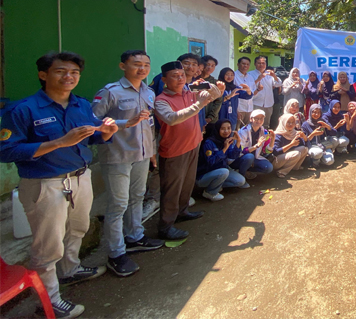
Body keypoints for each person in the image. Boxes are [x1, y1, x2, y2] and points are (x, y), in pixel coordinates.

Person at [0, 52, 118, 318]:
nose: (69, 77)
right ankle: (49, 300)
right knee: (48, 244)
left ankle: (70, 270)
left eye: (74, 72)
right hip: (45, 183)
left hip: (80, 176)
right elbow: (6, 151)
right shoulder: (23, 110)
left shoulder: (81, 105)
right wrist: (57, 143)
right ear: (43, 75)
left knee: (78, 228)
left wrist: (106, 133)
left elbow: (92, 139)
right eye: (60, 71)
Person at [91, 50, 164, 278]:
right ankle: (116, 254)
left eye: (146, 64)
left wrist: (151, 151)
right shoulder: (110, 92)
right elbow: (93, 122)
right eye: (136, 64)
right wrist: (125, 122)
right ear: (123, 66)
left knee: (137, 197)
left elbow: (149, 124)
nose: (142, 68)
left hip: (141, 155)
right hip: (117, 157)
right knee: (118, 205)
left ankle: (135, 237)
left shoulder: (149, 92)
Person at [154, 61, 223, 240]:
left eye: (182, 75)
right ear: (164, 80)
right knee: (171, 190)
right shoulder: (162, 100)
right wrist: (199, 103)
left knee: (187, 184)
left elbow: (213, 95)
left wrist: (216, 89)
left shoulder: (190, 93)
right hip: (174, 152)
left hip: (193, 145)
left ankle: (182, 212)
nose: (179, 79)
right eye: (174, 76)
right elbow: (172, 119)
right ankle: (166, 226)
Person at [196, 120, 248, 202]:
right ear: (217, 129)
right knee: (224, 172)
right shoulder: (209, 143)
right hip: (204, 175)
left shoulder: (226, 140)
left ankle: (215, 186)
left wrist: (238, 142)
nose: (226, 131)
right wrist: (224, 149)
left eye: (229, 128)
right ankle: (210, 192)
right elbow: (211, 162)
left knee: (240, 181)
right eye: (223, 129)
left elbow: (232, 156)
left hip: (221, 171)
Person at [237, 110, 275, 179]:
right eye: (256, 118)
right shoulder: (243, 131)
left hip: (255, 157)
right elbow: (241, 151)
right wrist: (257, 145)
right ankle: (241, 175)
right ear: (251, 119)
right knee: (249, 157)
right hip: (242, 158)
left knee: (268, 168)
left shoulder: (264, 132)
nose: (259, 121)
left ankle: (249, 171)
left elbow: (266, 151)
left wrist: (272, 139)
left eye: (261, 119)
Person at [253, 59, 282, 128]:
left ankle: (265, 138)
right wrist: (258, 79)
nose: (261, 65)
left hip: (268, 104)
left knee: (266, 125)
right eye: (259, 63)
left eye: (263, 63)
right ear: (255, 64)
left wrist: (274, 76)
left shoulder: (269, 74)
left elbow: (278, 84)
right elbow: (249, 86)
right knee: (255, 124)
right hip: (256, 103)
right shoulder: (250, 74)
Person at [234, 57, 257, 129]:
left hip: (249, 108)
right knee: (237, 130)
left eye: (247, 64)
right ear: (238, 64)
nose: (245, 66)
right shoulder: (234, 76)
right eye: (243, 64)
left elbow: (253, 91)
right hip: (239, 108)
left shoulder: (250, 77)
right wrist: (236, 110)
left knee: (246, 130)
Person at [200, 55, 223, 125]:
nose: (210, 67)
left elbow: (218, 101)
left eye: (213, 66)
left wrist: (210, 117)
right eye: (208, 65)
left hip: (211, 120)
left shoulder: (215, 82)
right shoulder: (195, 80)